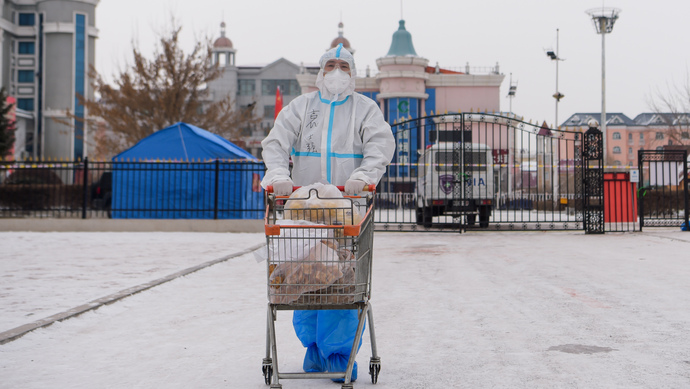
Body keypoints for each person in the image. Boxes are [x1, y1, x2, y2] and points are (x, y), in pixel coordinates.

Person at [261, 43, 395, 381]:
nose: (337, 71)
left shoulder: (365, 109)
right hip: (305, 210)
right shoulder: (301, 107)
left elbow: (380, 145)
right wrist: (278, 175)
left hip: (348, 212)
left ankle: (339, 353)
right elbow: (276, 142)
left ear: (353, 73)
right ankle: (315, 348)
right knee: (304, 278)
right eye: (331, 65)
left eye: (344, 66)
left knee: (344, 281)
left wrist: (363, 176)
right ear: (321, 72)